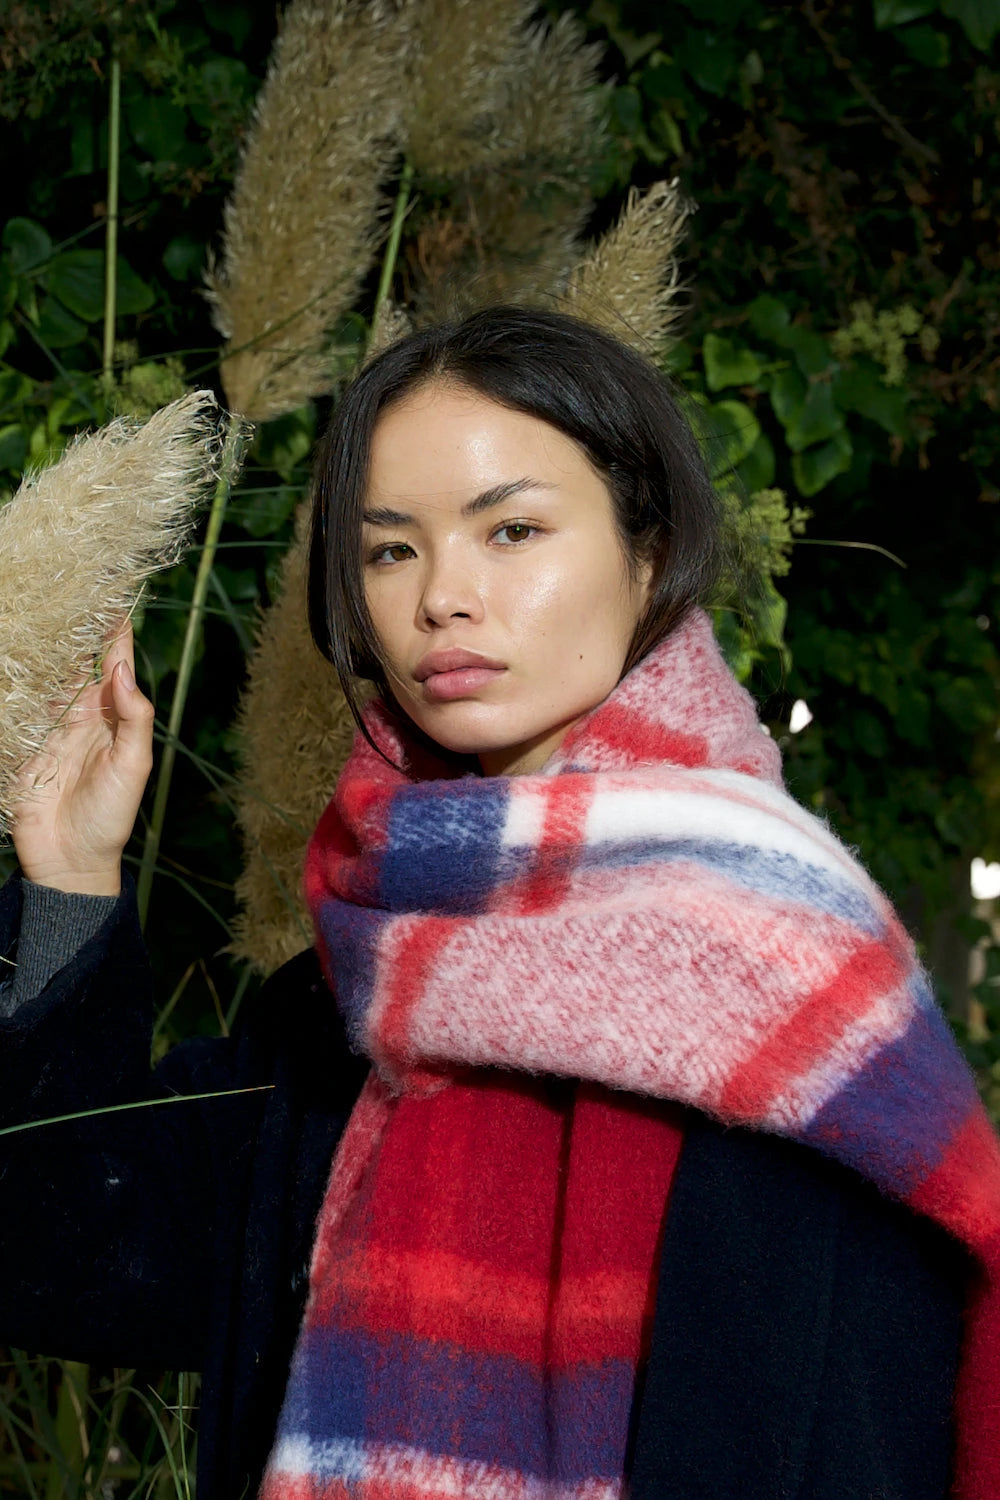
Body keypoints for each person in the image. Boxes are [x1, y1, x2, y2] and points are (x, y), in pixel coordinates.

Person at [0, 306, 995, 1500]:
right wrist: (70, 872)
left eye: (511, 530)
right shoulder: (357, 984)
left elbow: (865, 1439)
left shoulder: (773, 958)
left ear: (647, 550)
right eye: (389, 551)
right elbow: (66, 1249)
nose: (443, 598)